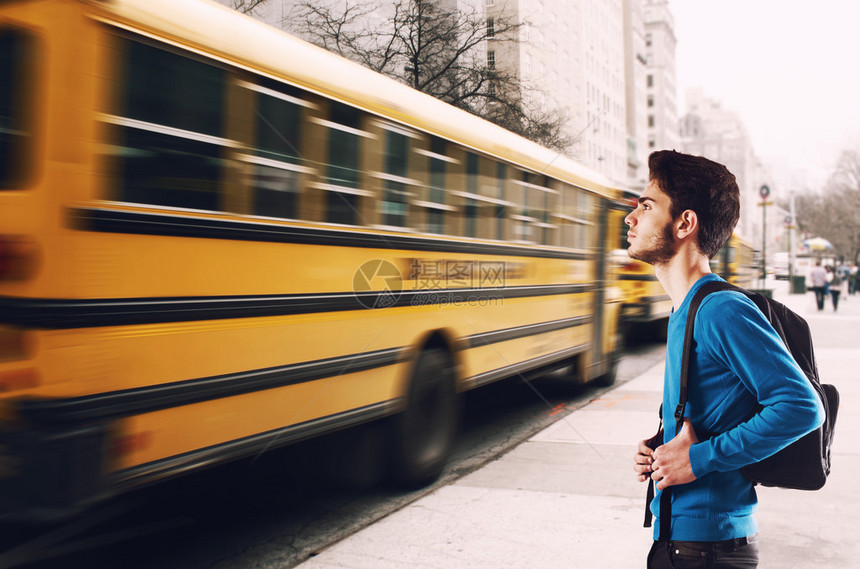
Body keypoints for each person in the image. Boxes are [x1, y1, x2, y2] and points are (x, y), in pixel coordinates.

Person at [627, 150, 824, 569]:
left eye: (646, 206)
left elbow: (802, 407)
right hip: (683, 542)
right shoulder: (686, 308)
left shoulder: (720, 310)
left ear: (685, 223)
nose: (631, 217)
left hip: (708, 550)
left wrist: (697, 460)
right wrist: (663, 445)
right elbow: (714, 412)